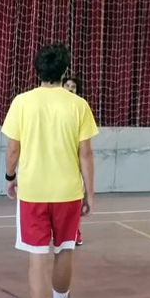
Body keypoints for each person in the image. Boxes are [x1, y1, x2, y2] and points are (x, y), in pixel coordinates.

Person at [2, 45, 98, 298]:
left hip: (33, 192)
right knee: (65, 250)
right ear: (64, 71)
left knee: (36, 257)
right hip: (67, 191)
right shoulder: (78, 105)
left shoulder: (22, 102)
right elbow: (86, 153)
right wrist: (90, 191)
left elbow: (13, 149)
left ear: (36, 70)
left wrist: (9, 176)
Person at [63, 76, 86, 246]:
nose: (70, 89)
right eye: (68, 86)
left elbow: (85, 147)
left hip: (74, 162)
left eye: (74, 87)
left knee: (76, 199)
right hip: (55, 162)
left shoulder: (81, 109)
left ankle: (75, 231)